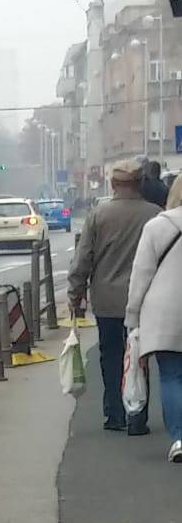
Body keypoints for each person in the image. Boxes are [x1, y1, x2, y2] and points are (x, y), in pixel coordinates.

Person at [67, 158, 160, 432]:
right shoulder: (154, 214)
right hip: (145, 300)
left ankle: (114, 414)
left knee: (110, 356)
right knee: (139, 356)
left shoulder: (98, 215)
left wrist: (75, 293)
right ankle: (137, 414)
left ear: (113, 184)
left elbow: (84, 258)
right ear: (140, 183)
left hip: (107, 299)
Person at [125, 172, 182, 463]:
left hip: (165, 313)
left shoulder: (157, 227)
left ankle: (179, 438)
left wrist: (133, 317)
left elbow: (141, 275)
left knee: (172, 376)